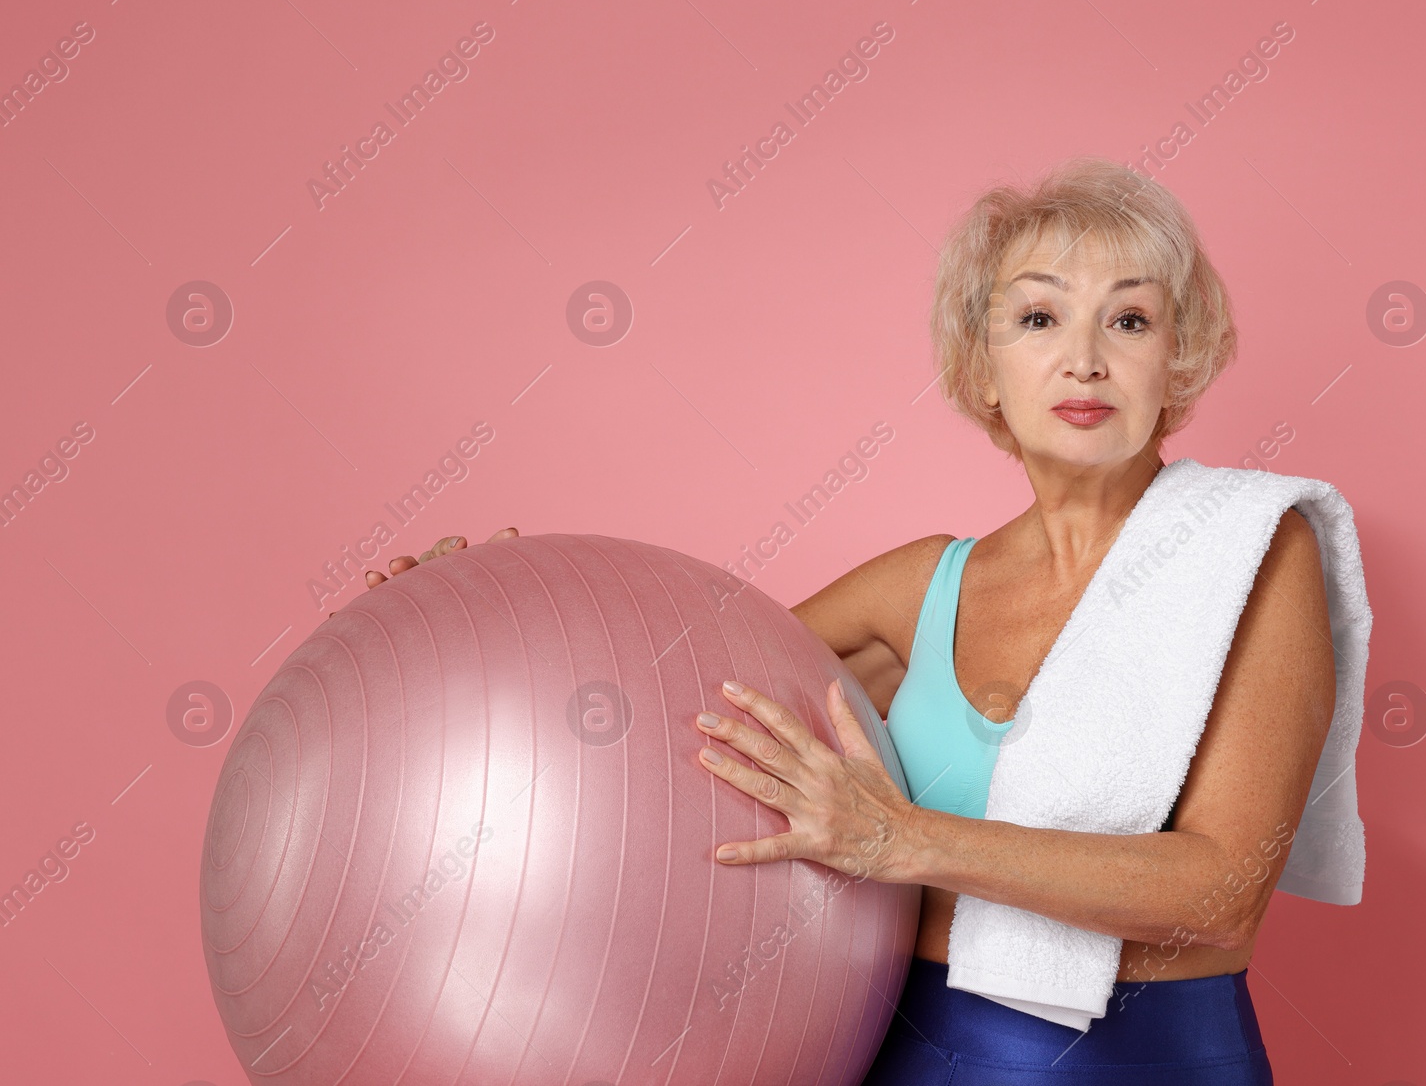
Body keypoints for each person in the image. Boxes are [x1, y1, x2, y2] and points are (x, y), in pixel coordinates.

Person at [365, 157, 1347, 1083]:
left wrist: (899, 841)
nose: (1083, 361)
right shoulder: (917, 591)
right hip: (908, 1054)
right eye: (1039, 317)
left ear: (1178, 358)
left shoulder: (1250, 553)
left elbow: (1220, 892)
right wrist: (456, 631)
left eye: (1129, 322)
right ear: (983, 362)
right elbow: (646, 729)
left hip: (1152, 1063)